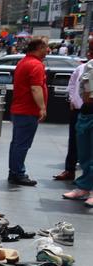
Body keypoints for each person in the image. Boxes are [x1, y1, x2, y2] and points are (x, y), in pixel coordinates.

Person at [7, 38, 48, 187]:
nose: (48, 50)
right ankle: (18, 173)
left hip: (20, 109)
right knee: (22, 144)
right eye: (46, 47)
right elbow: (35, 88)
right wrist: (42, 107)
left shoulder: (23, 62)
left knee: (17, 143)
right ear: (39, 47)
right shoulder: (36, 65)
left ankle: (14, 172)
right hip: (27, 110)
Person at [56, 51, 93, 181]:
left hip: (90, 109)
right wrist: (72, 99)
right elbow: (72, 84)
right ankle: (69, 170)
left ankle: (86, 178)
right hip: (78, 109)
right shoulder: (81, 68)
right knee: (74, 141)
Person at [62, 58, 93, 206]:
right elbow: (78, 84)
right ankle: (84, 187)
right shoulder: (88, 65)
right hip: (86, 111)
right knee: (84, 152)